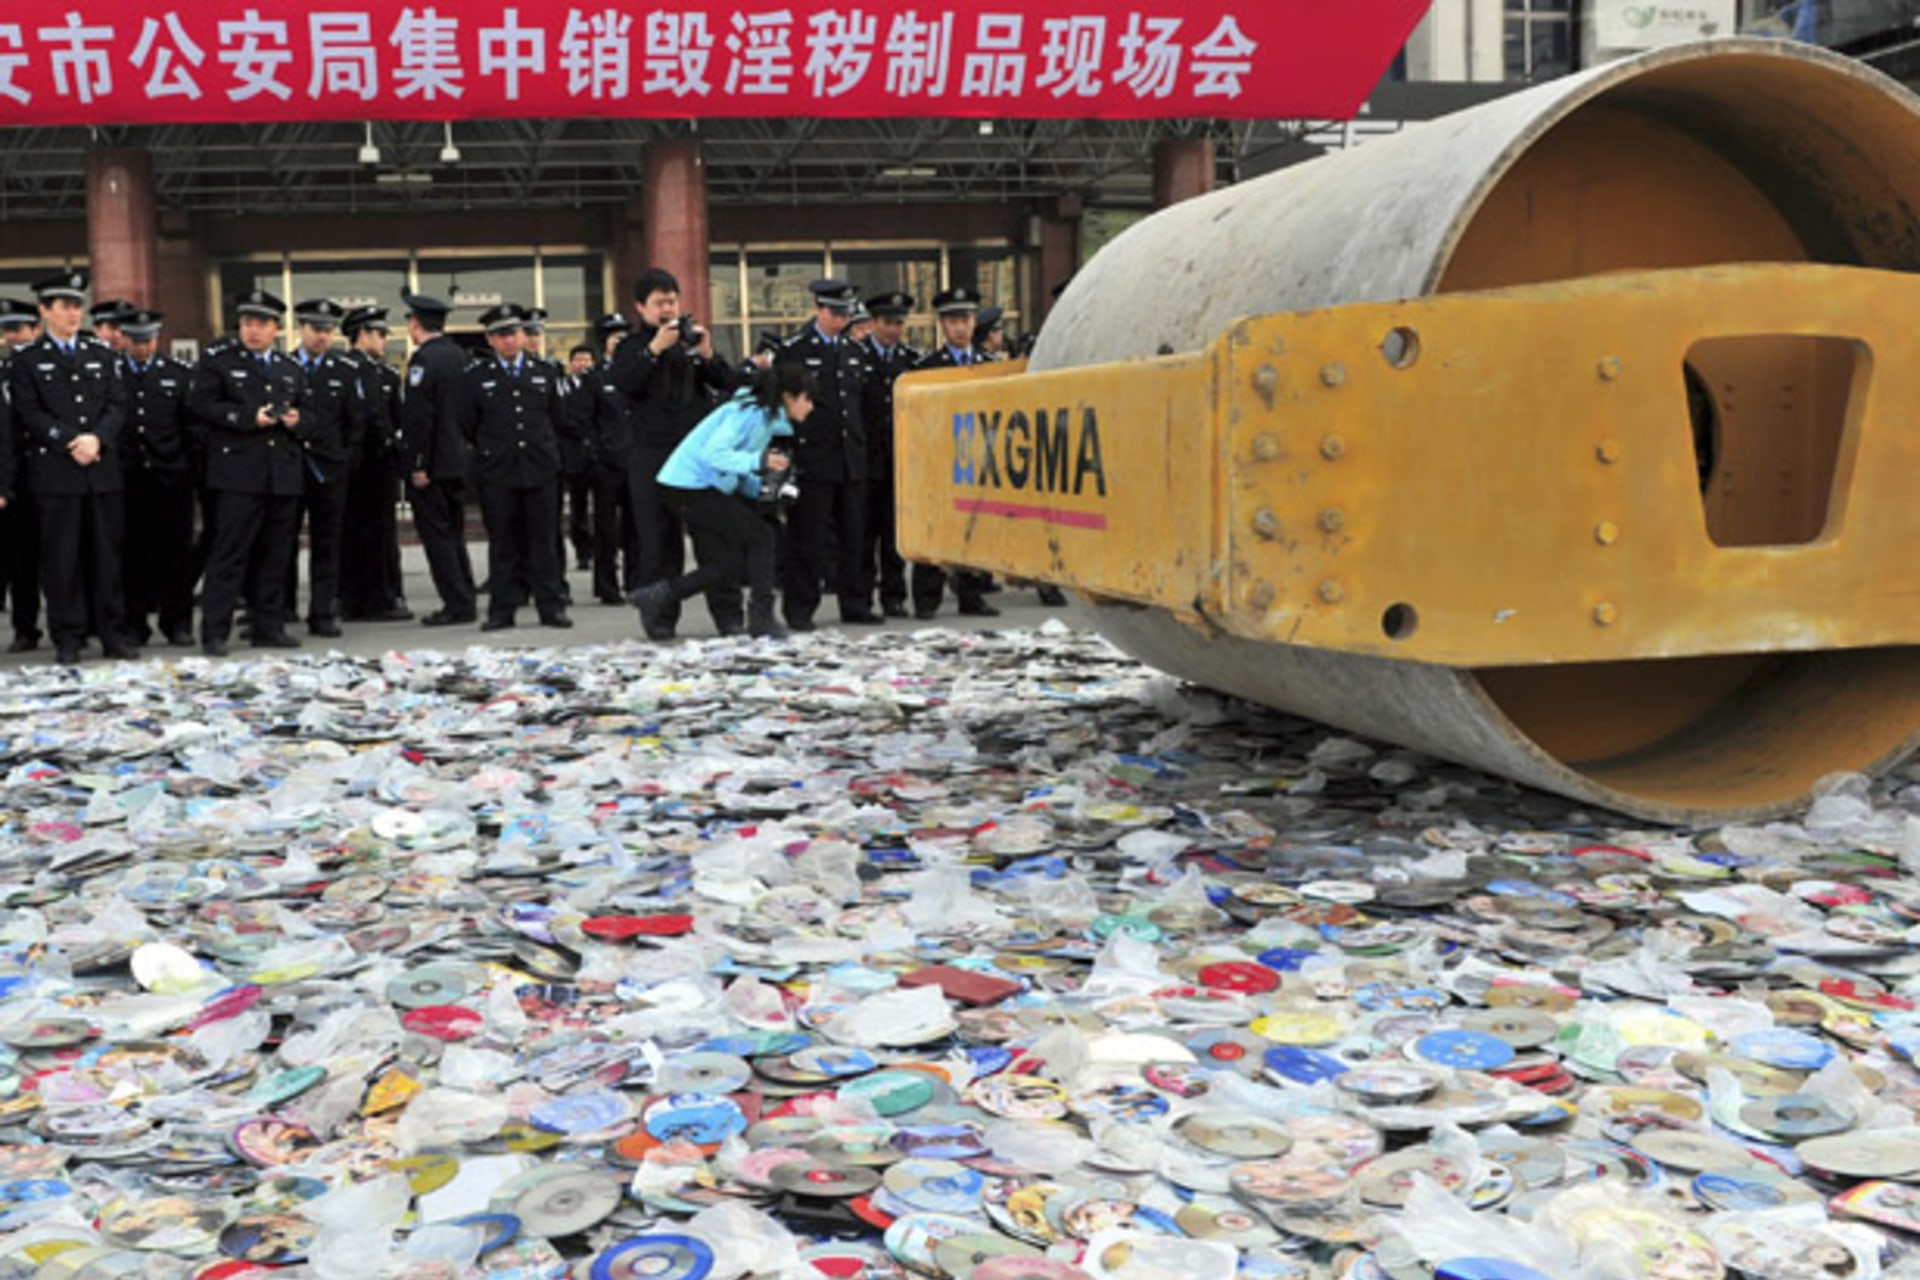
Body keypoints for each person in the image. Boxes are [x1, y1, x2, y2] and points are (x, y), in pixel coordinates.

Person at [631, 362, 816, 642]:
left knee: (727, 563)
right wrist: (760, 461)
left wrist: (762, 489)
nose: (811, 407)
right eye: (808, 399)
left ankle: (659, 596)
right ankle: (762, 617)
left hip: (699, 485)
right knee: (761, 537)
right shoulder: (750, 414)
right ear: (789, 397)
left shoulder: (763, 417)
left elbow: (735, 466)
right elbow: (714, 454)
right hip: (689, 486)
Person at [8, 269, 136, 665]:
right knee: (61, 560)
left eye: (76, 306)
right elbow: (27, 411)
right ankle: (68, 635)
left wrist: (97, 438)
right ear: (44, 311)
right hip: (56, 474)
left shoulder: (100, 353)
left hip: (100, 470)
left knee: (106, 558)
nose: (72, 314)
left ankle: (113, 633)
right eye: (63, 307)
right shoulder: (27, 359)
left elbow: (118, 404)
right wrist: (69, 440)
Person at [612, 267, 740, 639]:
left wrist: (708, 353)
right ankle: (661, 618)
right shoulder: (632, 347)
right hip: (652, 456)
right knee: (658, 541)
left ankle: (729, 616)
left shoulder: (690, 342)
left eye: (672, 300)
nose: (667, 309)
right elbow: (625, 382)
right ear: (641, 307)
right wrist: (655, 349)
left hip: (699, 458)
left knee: (714, 537)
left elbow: (728, 384)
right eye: (659, 303)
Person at [188, 290, 307, 656]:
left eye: (261, 324)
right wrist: (244, 418)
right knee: (229, 554)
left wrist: (298, 420)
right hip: (239, 473)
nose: (252, 330)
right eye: (246, 323)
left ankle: (267, 626)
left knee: (276, 555)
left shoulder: (289, 367)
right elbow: (200, 406)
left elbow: (313, 415)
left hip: (281, 473)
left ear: (276, 328)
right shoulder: (219, 363)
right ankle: (214, 631)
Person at [775, 278, 878, 630]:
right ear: (818, 309)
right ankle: (800, 608)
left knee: (856, 536)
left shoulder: (855, 352)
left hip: (851, 458)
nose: (840, 319)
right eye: (834, 312)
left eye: (845, 313)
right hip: (814, 458)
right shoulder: (796, 350)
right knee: (809, 539)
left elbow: (862, 406)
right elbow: (784, 407)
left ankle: (856, 601)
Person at [465, 304, 570, 633]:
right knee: (503, 545)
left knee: (544, 543)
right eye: (500, 336)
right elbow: (468, 424)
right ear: (490, 340)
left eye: (513, 333)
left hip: (539, 469)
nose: (508, 341)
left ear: (524, 335)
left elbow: (559, 419)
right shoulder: (477, 377)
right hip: (499, 472)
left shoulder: (546, 373)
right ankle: (502, 610)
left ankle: (551, 607)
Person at [909, 288, 998, 621]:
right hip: (938, 459)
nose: (959, 328)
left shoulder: (990, 366)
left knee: (974, 527)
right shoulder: (927, 367)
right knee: (933, 528)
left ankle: (972, 594)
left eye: (965, 320)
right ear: (941, 326)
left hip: (978, 459)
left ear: (975, 322)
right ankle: (926, 598)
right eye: (952, 322)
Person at [283, 299, 366, 638]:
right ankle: (278, 609)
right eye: (316, 329)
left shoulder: (344, 370)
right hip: (288, 467)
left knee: (327, 543)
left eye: (328, 330)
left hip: (328, 469)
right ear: (301, 328)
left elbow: (355, 423)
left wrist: (342, 458)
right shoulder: (282, 366)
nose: (322, 337)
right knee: (280, 543)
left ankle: (322, 611)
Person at [118, 309, 196, 647]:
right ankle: (134, 624)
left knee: (175, 555)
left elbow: (190, 427)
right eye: (136, 341)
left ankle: (177, 621)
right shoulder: (111, 374)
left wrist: (186, 469)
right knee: (131, 555)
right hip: (127, 478)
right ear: (123, 339)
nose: (143, 347)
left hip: (170, 478)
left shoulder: (177, 374)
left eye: (148, 340)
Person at [400, 291, 478, 626]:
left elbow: (420, 418)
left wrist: (417, 464)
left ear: (415, 324)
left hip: (432, 464)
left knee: (438, 537)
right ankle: (466, 595)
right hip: (458, 460)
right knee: (455, 532)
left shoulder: (424, 360)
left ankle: (456, 603)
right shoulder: (459, 355)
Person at [338, 306, 411, 623]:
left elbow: (396, 418)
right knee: (354, 533)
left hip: (381, 465)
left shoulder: (386, 374)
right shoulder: (343, 369)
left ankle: (381, 594)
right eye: (379, 334)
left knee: (381, 534)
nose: (383, 341)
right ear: (361, 334)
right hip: (356, 464)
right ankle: (357, 598)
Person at [859, 291, 920, 619]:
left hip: (900, 461)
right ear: (872, 323)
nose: (893, 329)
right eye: (887, 322)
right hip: (867, 462)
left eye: (899, 322)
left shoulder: (911, 360)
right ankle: (863, 597)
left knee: (894, 536)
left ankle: (894, 596)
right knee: (864, 535)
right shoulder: (856, 356)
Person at [584, 313, 637, 605]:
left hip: (635, 461)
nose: (619, 340)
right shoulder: (595, 377)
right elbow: (582, 419)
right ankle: (607, 585)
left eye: (623, 335)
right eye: (613, 336)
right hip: (606, 465)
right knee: (605, 529)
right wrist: (597, 450)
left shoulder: (636, 372)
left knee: (636, 526)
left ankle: (635, 581)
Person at [0, 297, 41, 653]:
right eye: (7, 330)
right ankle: (25, 628)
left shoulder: (48, 368)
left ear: (35, 330)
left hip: (50, 471)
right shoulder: (3, 373)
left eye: (18, 330)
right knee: (18, 557)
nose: (12, 337)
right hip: (13, 478)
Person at [559, 342, 596, 573]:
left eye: (587, 359)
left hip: (598, 455)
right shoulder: (562, 387)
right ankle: (583, 550)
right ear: (570, 363)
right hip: (573, 454)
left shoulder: (599, 384)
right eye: (578, 359)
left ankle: (603, 550)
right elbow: (562, 418)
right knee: (578, 505)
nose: (582, 364)